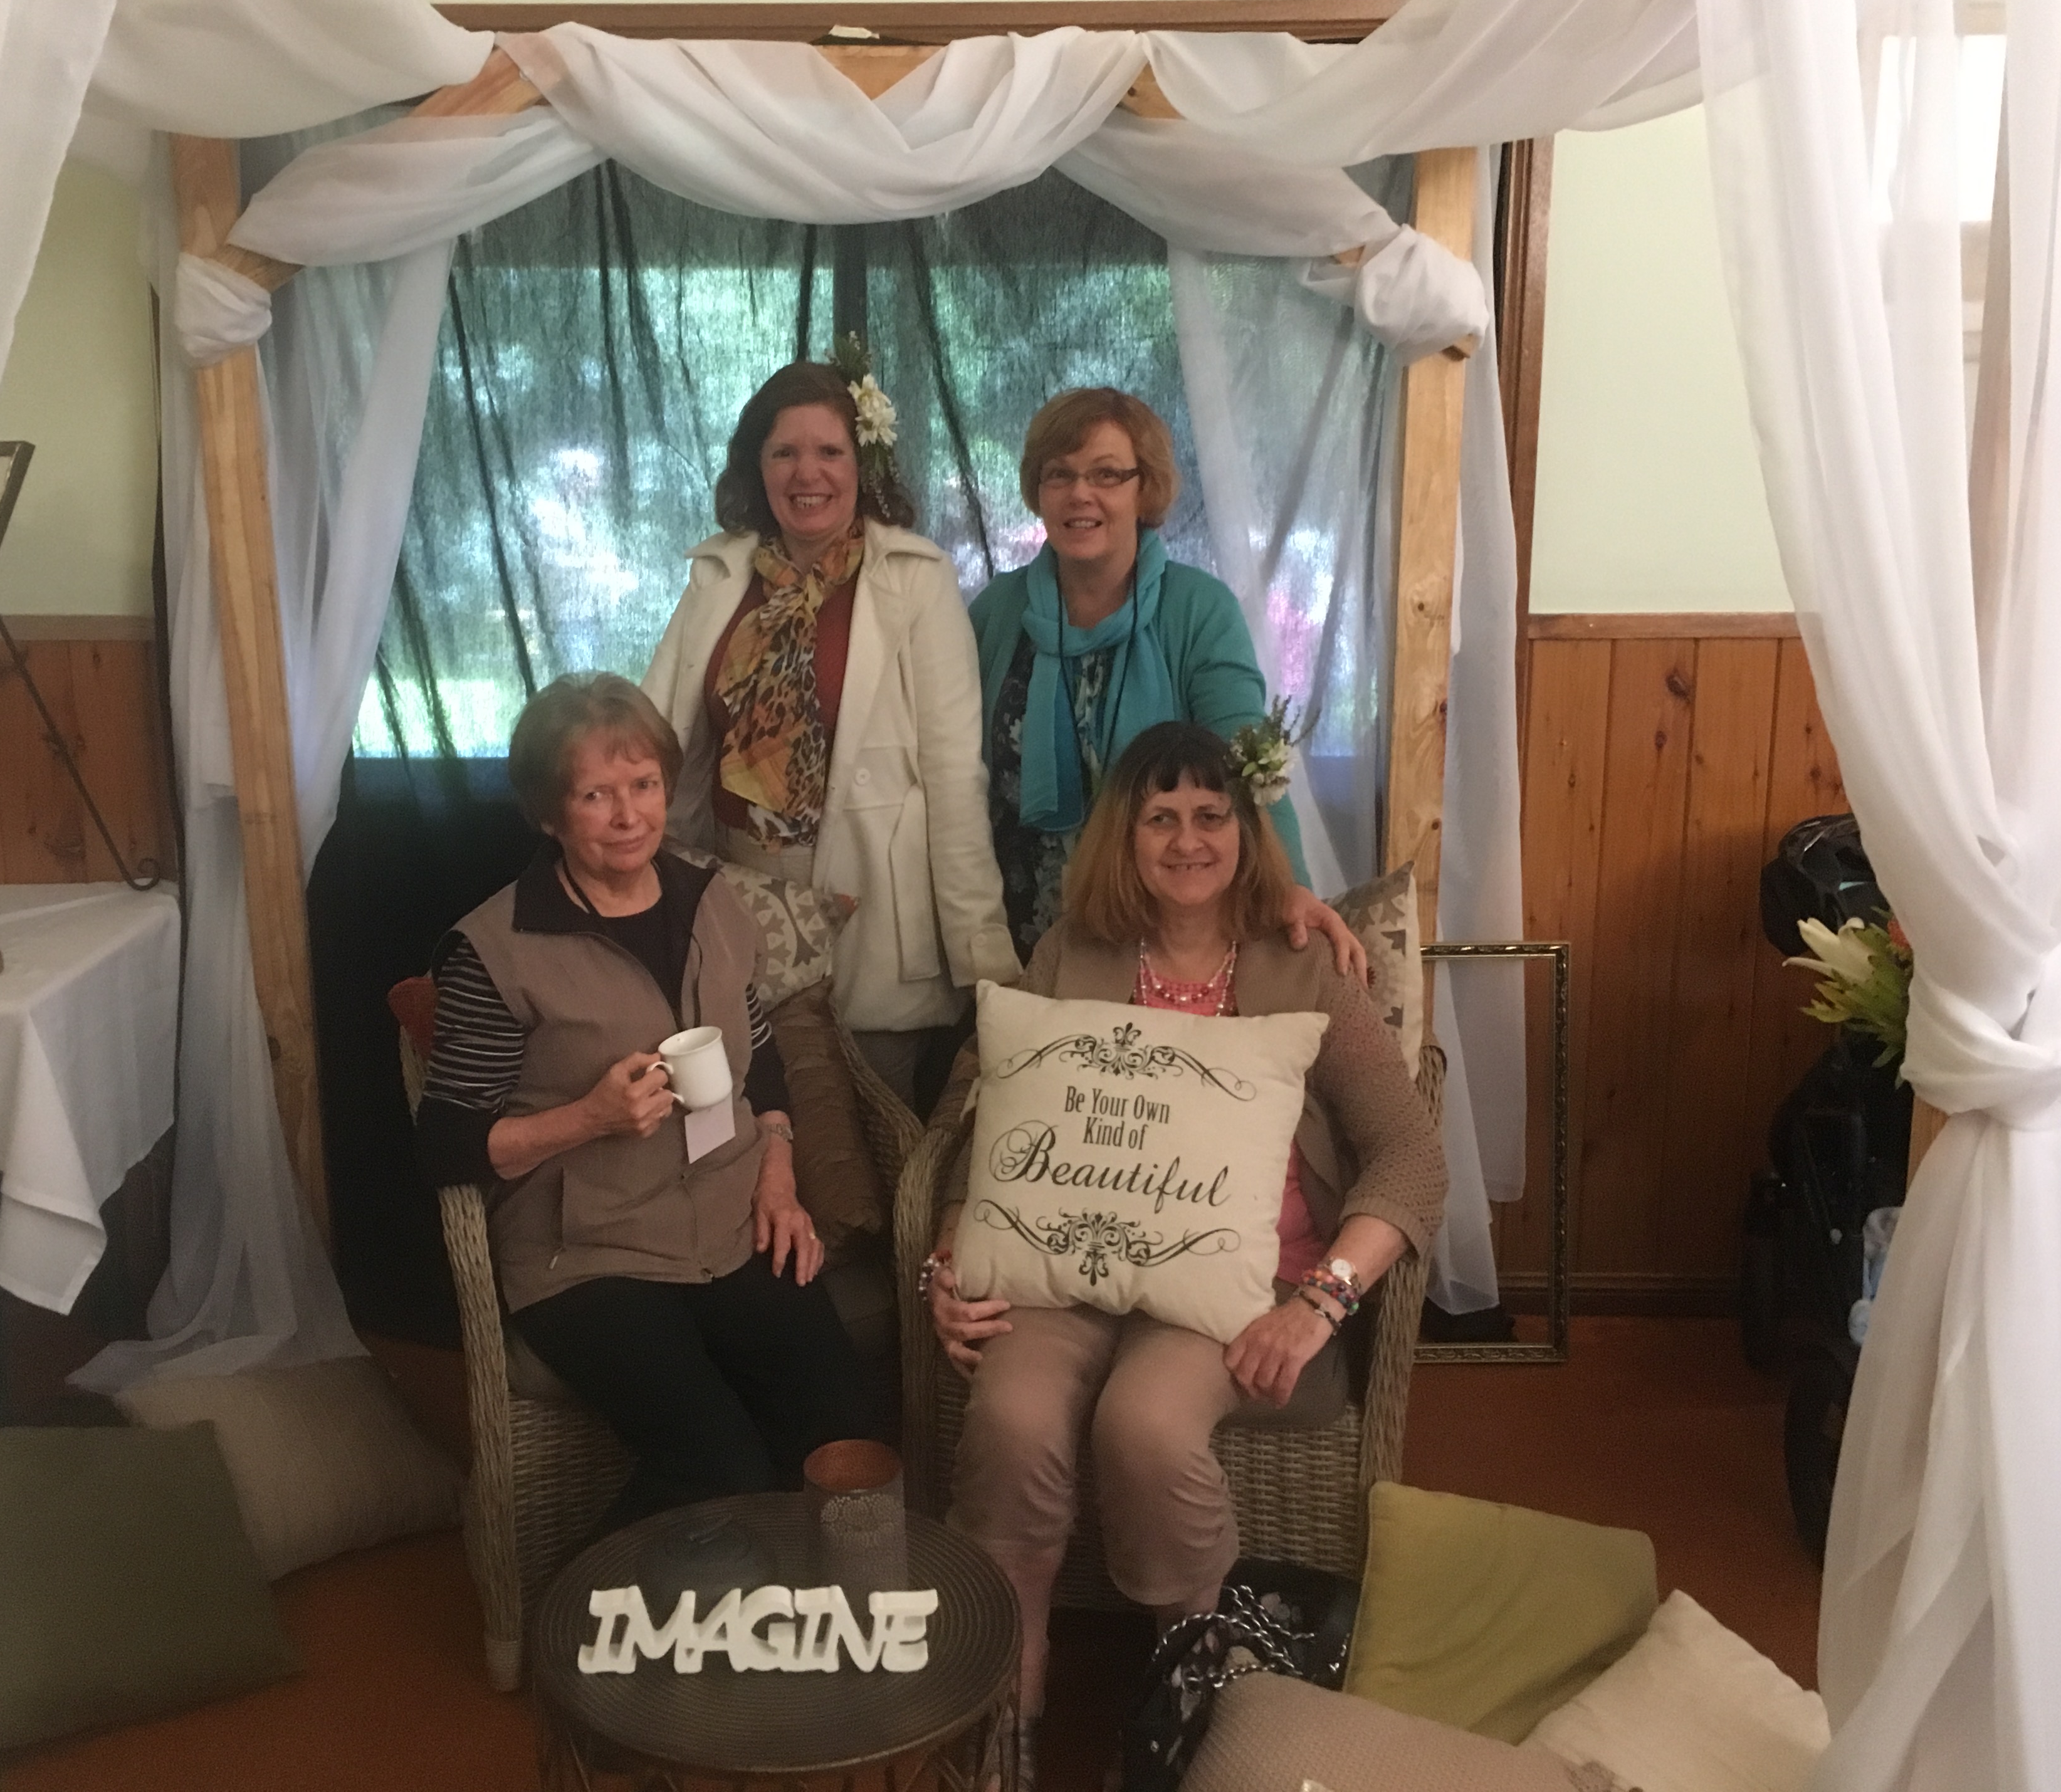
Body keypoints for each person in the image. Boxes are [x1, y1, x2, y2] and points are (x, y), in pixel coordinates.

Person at [921, 723, 1446, 1782]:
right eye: (1160, 816)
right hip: (1073, 1268)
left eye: (1211, 814)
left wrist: (1320, 1302)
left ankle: (1191, 1693)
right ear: (1125, 835)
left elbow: (1410, 1154)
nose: (1188, 838)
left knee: (1146, 1420)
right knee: (1012, 1414)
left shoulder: (1304, 965)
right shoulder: (1071, 953)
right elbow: (986, 1119)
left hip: (1242, 1286)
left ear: (1245, 829)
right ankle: (1015, 1695)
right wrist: (949, 1258)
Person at [413, 673, 875, 1528]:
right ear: (550, 814)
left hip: (731, 1218)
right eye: (596, 795)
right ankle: (591, 1604)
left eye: (644, 785)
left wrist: (779, 1175)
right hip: (587, 1250)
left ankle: (794, 1604)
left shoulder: (714, 901)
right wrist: (588, 1118)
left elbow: (760, 1059)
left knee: (841, 1434)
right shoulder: (497, 949)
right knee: (718, 1466)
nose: (629, 815)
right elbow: (444, 1144)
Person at [644, 359, 1019, 1108]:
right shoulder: (717, 578)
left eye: (829, 451)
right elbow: (658, 744)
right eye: (784, 451)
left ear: (862, 465)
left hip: (873, 910)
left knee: (875, 1146)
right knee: (759, 1128)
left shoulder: (917, 579)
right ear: (757, 465)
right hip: (741, 900)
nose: (806, 473)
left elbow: (954, 781)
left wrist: (985, 964)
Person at [968, 388, 1365, 975]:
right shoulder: (997, 610)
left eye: (1107, 474)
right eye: (1060, 475)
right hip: (1012, 934)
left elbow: (1247, 763)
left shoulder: (1199, 610)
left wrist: (1291, 887)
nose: (1080, 493)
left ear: (1145, 488)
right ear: (1038, 489)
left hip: (1154, 941)